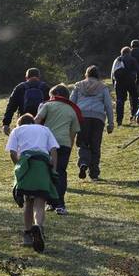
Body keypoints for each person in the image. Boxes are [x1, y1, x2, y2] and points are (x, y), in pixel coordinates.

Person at [6, 114, 60, 253]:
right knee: (39, 201)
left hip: (27, 164)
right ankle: (38, 226)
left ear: (19, 124)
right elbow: (54, 149)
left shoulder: (17, 130)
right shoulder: (44, 129)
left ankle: (28, 234)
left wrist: (19, 166)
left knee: (28, 201)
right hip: (42, 164)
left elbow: (12, 152)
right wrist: (53, 169)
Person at [35, 84, 82, 215]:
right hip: (64, 144)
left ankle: (49, 202)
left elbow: (37, 119)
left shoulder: (48, 105)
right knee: (60, 172)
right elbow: (73, 132)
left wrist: (36, 134)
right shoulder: (72, 110)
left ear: (54, 95)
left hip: (47, 143)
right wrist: (70, 146)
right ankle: (60, 204)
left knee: (46, 171)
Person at [71, 66, 114, 181]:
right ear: (97, 75)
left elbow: (71, 103)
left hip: (82, 117)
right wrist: (111, 123)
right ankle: (94, 173)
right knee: (95, 145)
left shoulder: (78, 86)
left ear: (86, 74)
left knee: (83, 142)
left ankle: (83, 162)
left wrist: (70, 120)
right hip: (98, 118)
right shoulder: (103, 87)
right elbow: (108, 106)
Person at [2, 68, 50, 136]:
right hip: (41, 124)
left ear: (26, 77)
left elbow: (11, 107)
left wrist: (6, 124)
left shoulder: (20, 87)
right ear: (39, 77)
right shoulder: (45, 87)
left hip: (23, 122)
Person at [111, 46, 139, 126]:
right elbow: (138, 71)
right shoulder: (132, 59)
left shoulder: (117, 60)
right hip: (130, 82)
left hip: (119, 83)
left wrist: (114, 83)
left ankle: (119, 120)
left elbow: (112, 73)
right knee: (134, 98)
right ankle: (133, 116)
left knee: (120, 101)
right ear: (129, 52)